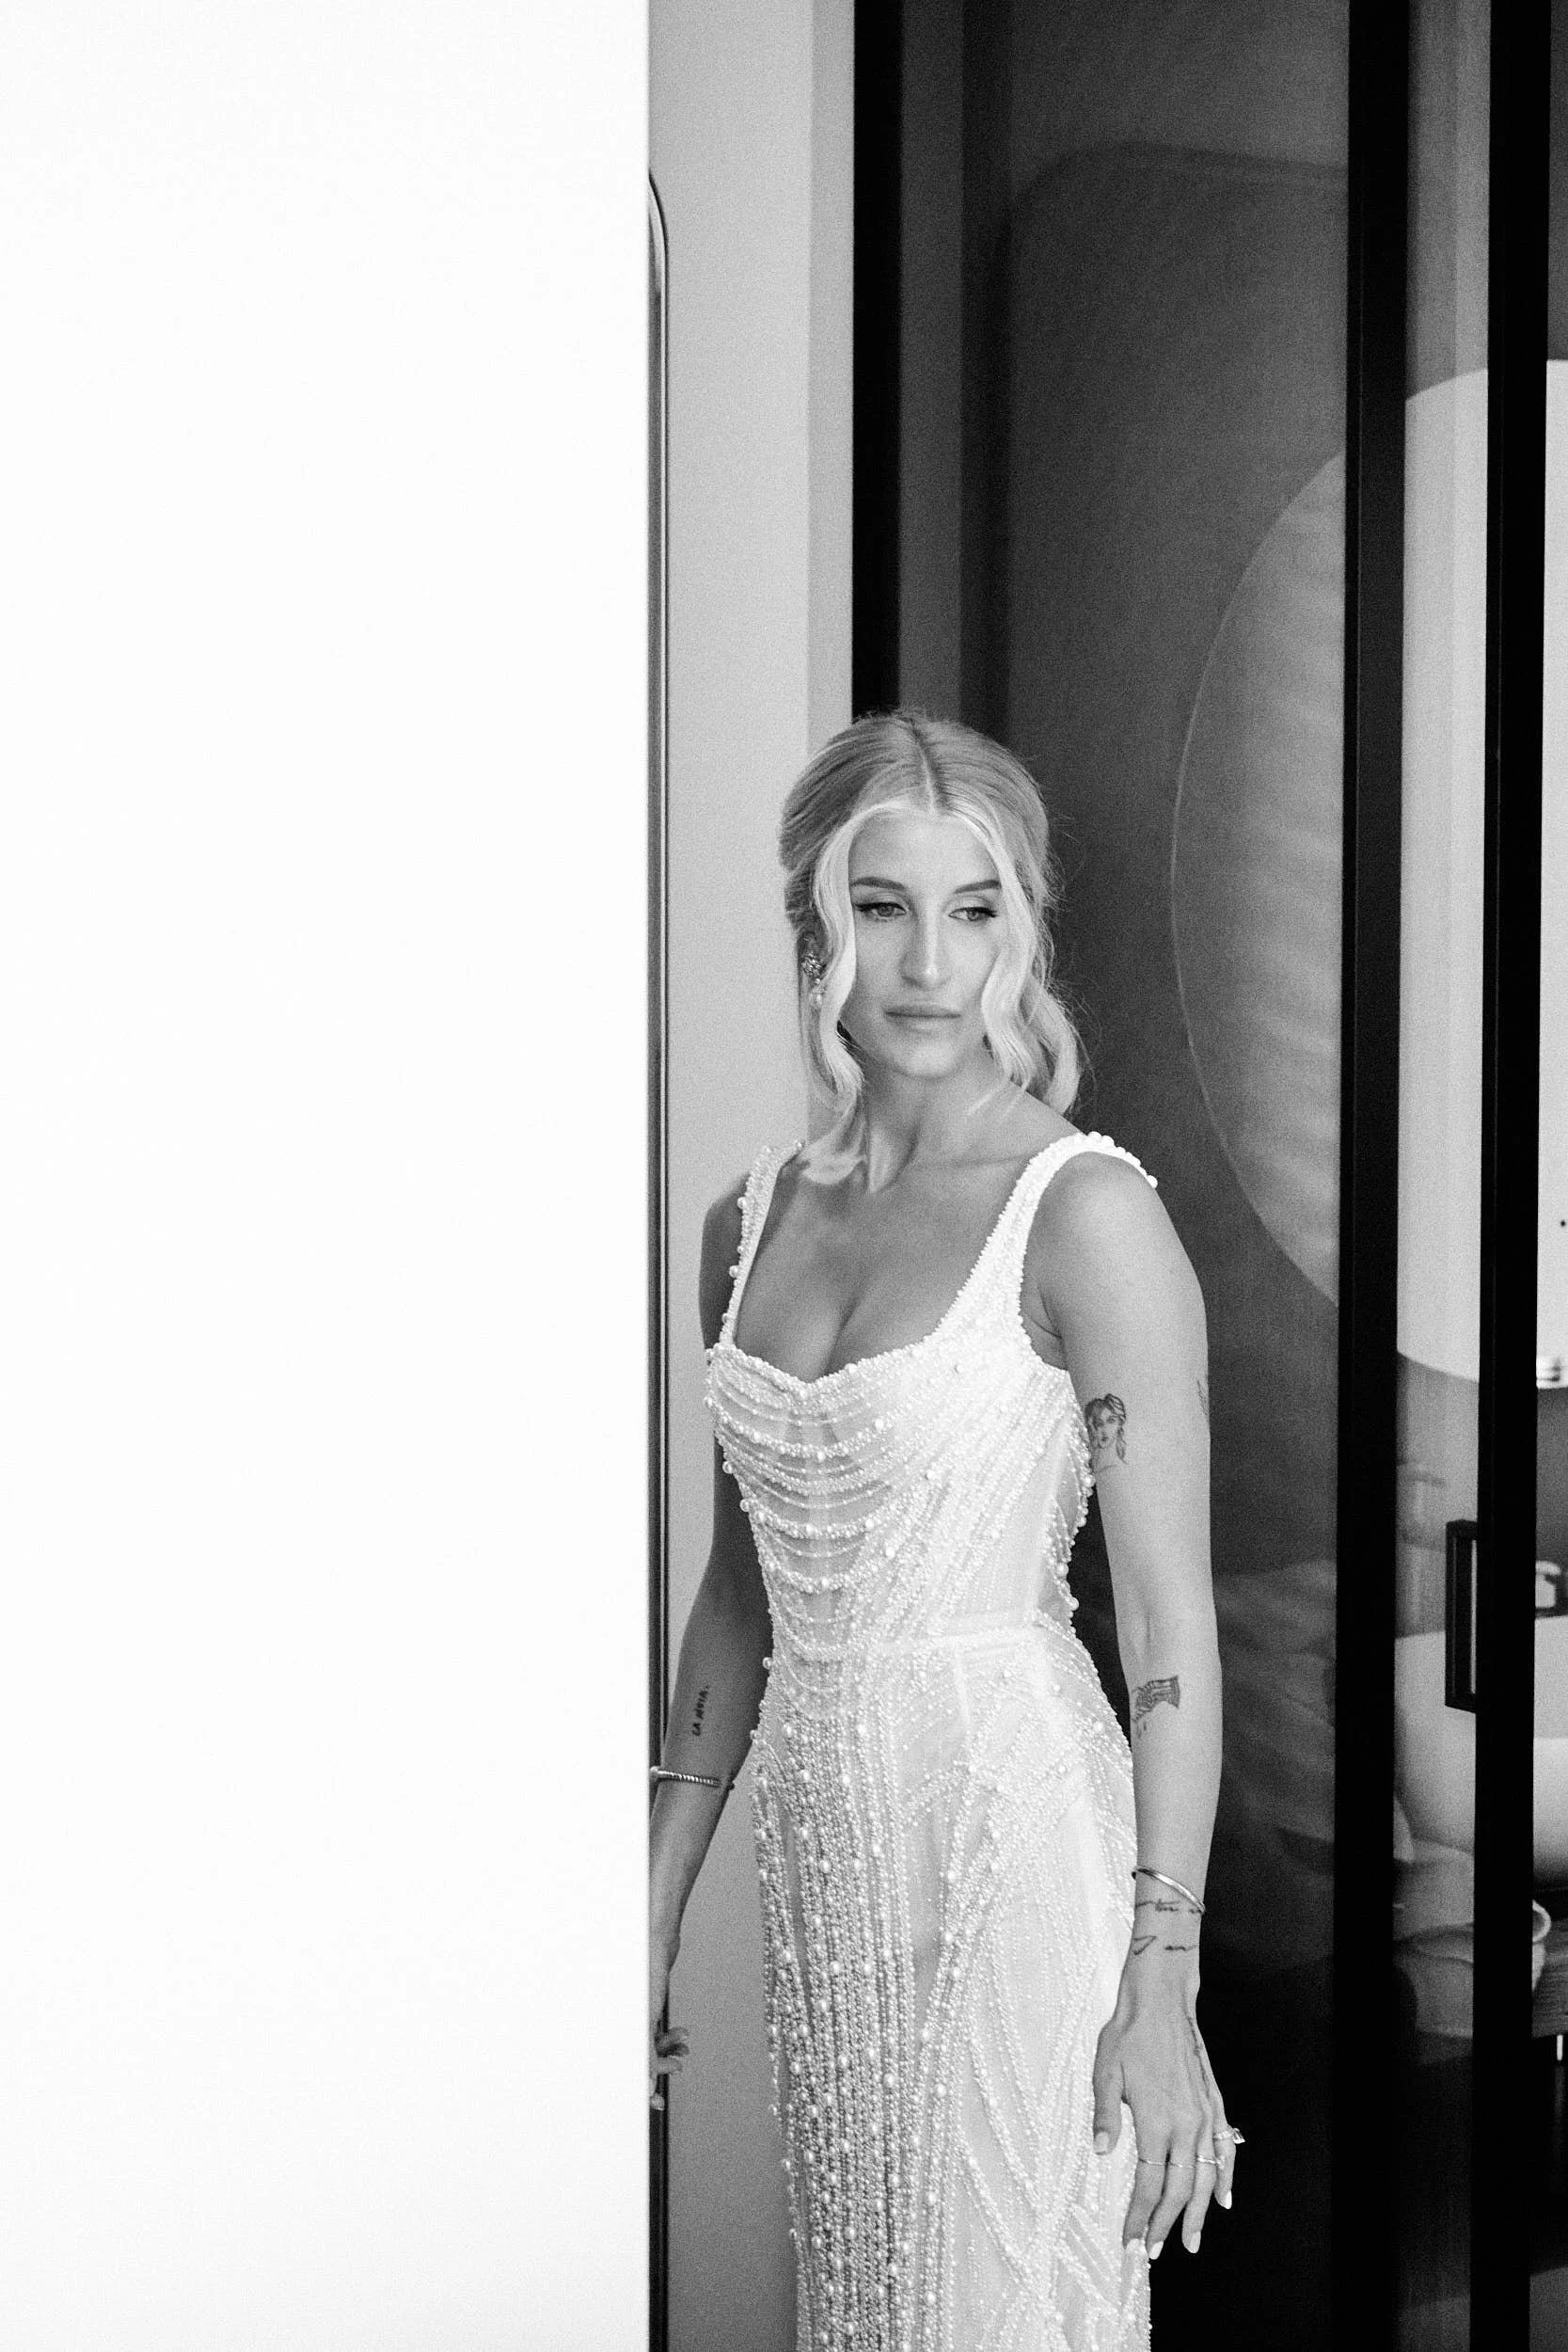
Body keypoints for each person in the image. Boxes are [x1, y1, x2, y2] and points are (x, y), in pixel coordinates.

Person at [649, 709, 1235, 2350]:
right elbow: (738, 1594)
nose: (927, 962)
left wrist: (1160, 1978)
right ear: (813, 927)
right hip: (826, 1851)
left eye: (973, 909)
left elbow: (1171, 1631)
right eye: (881, 906)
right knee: (868, 2309)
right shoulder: (746, 1225)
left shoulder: (1087, 1214)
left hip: (1017, 1832)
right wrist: (646, 1901)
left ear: (1022, 931)